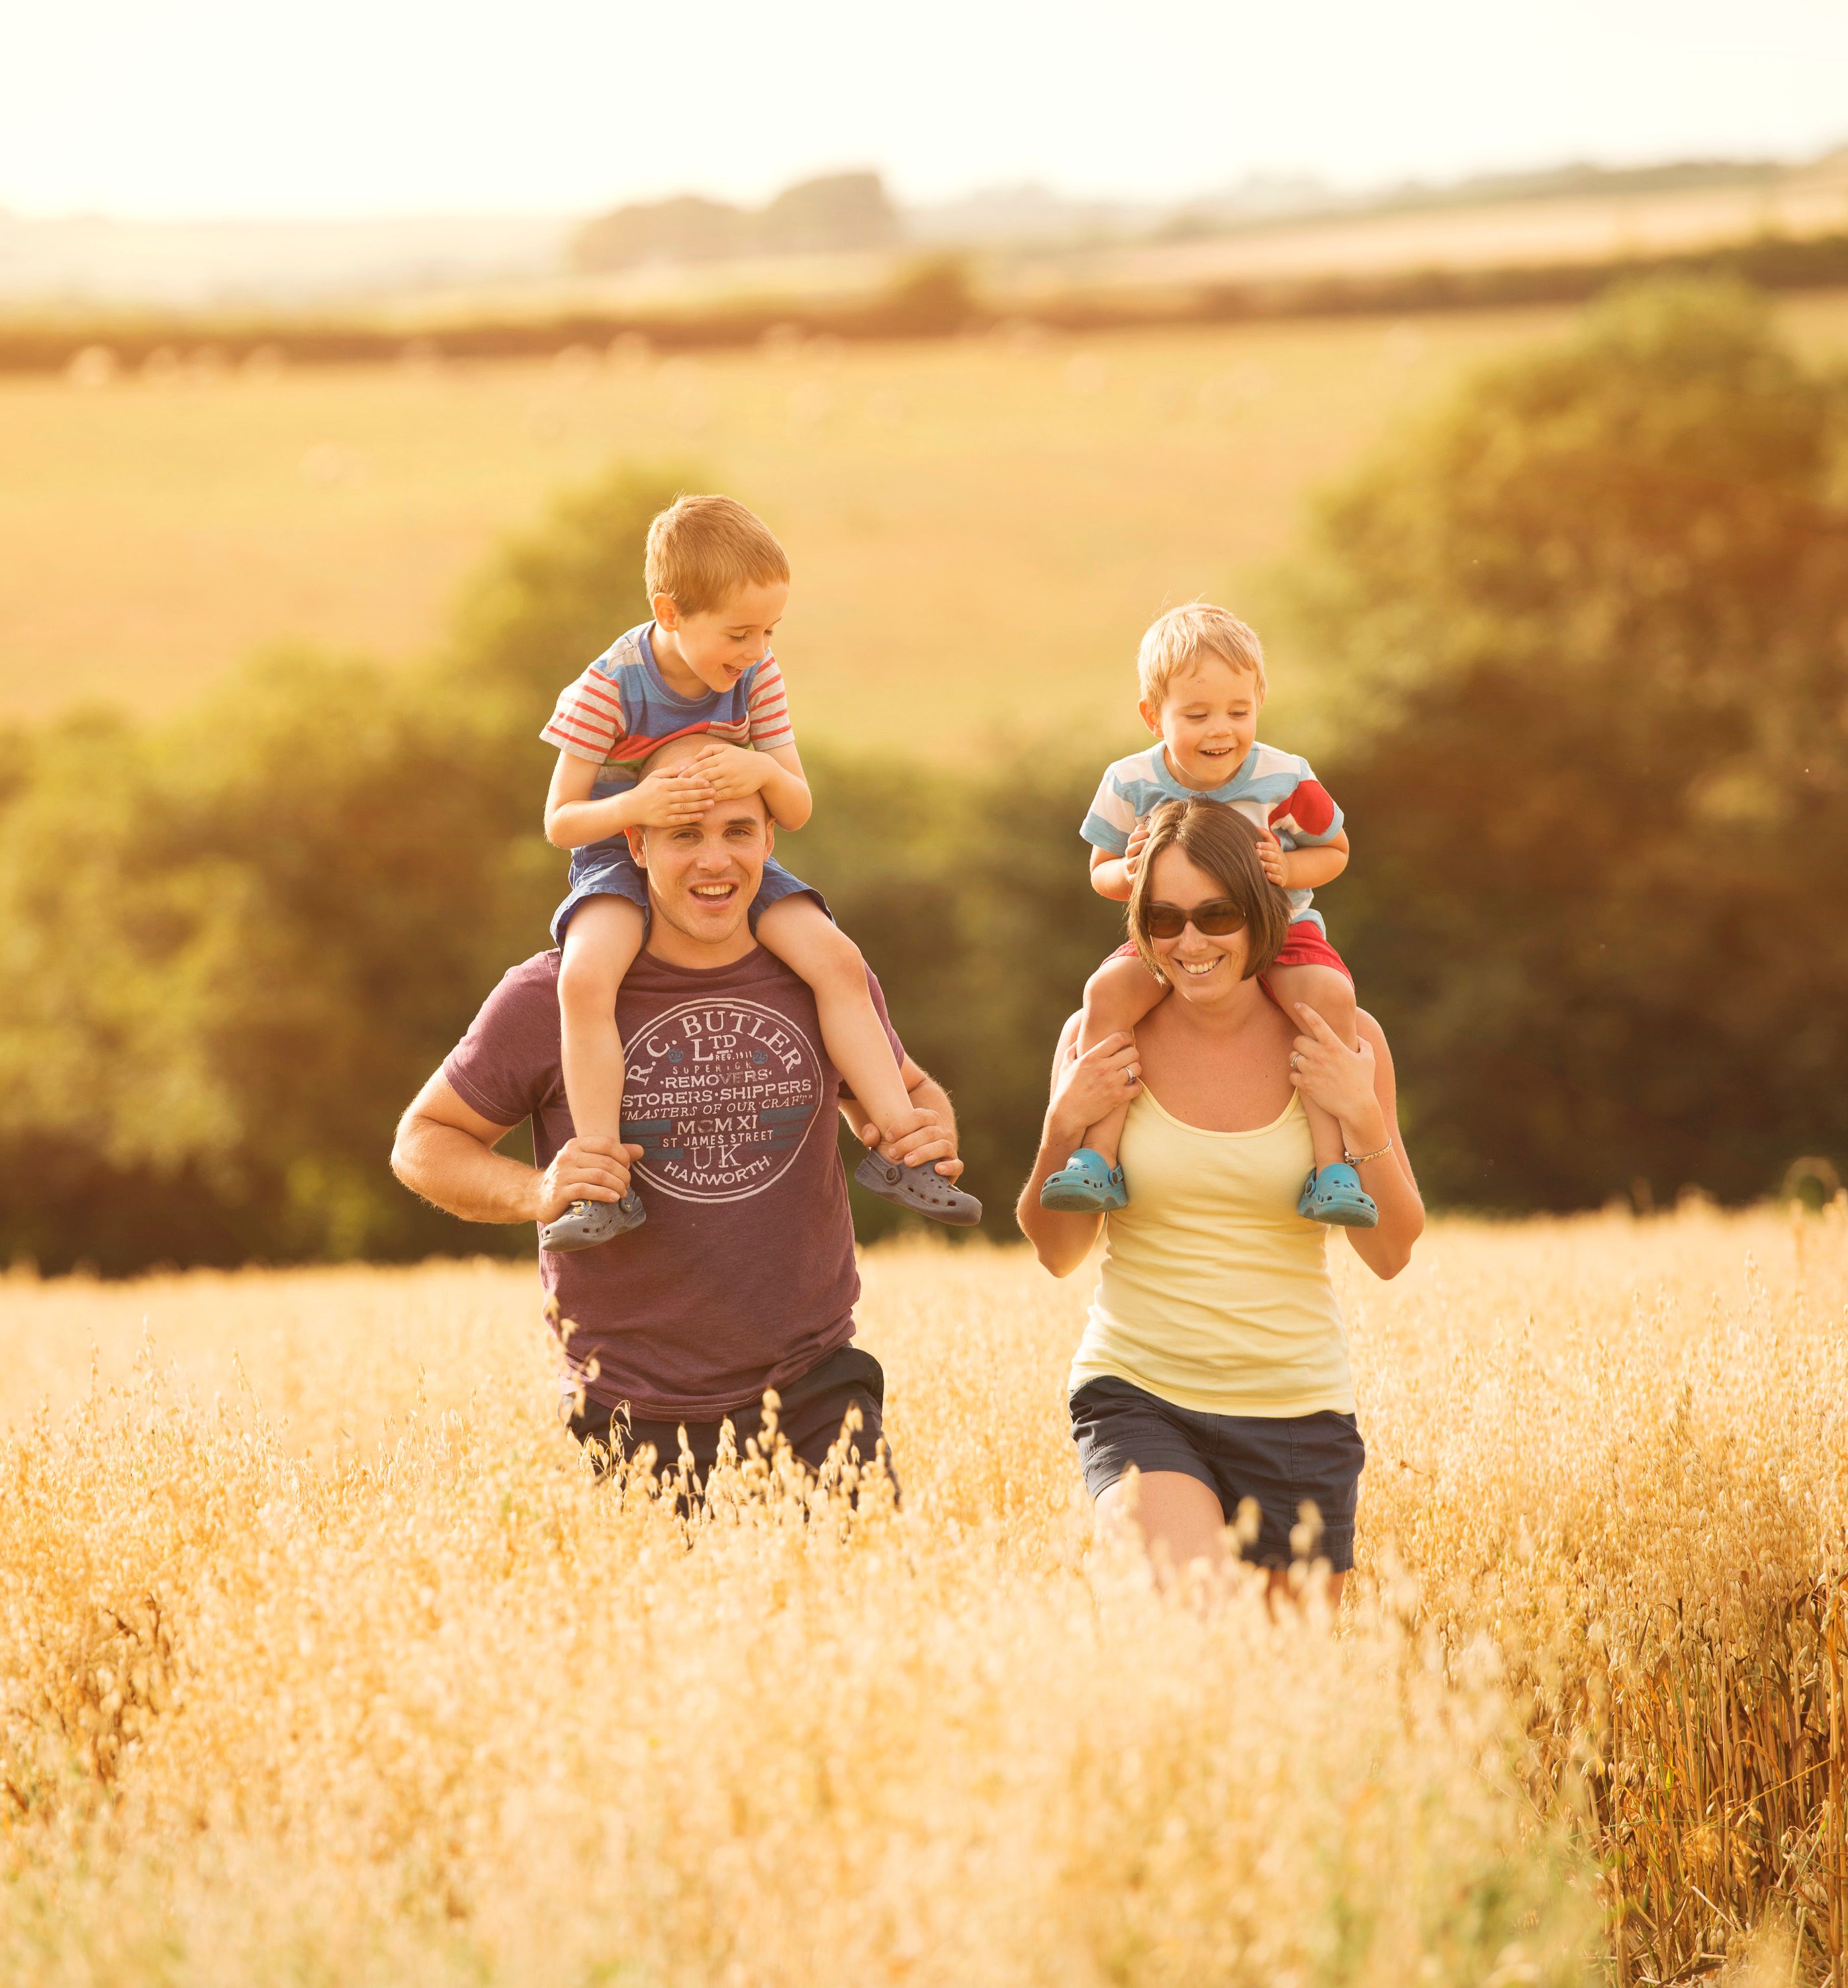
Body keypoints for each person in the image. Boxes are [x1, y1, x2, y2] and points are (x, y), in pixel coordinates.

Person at [390, 734, 971, 1491]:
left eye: (736, 831)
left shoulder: (820, 974)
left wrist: (928, 1125)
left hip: (816, 1383)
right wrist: (537, 1193)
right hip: (628, 1404)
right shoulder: (552, 994)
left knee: (863, 1604)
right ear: (634, 842)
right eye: (683, 835)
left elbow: (909, 1091)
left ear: (769, 836)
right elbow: (422, 1142)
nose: (714, 861)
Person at [537, 491, 977, 1248]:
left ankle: (904, 1150)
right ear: (669, 613)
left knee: (835, 959)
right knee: (584, 979)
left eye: (769, 630)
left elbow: (795, 805)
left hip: (733, 841)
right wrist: (641, 802)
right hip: (620, 847)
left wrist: (753, 770)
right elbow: (560, 821)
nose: (756, 650)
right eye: (739, 634)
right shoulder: (607, 686)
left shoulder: (758, 678)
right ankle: (603, 1185)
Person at [1016, 799, 1424, 1603]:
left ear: (1264, 912)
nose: (1189, 944)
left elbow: (1389, 1253)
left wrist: (1362, 1112)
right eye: (1163, 919)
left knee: (1279, 1694)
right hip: (1137, 1392)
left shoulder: (1345, 1038)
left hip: (1298, 1408)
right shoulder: (1098, 1036)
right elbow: (1058, 1251)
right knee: (1188, 1619)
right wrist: (1061, 1125)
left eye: (1217, 915)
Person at [1039, 602, 1377, 1228]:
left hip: (1285, 928)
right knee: (1106, 991)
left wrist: (1290, 870)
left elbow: (1336, 849)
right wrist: (1131, 871)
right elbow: (1099, 871)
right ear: (1153, 715)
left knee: (1328, 996)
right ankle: (1097, 1157)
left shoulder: (1286, 778)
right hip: (1177, 935)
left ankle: (1333, 1168)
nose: (1221, 730)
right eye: (1196, 715)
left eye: (1238, 712)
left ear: (1259, 703)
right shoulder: (1131, 782)